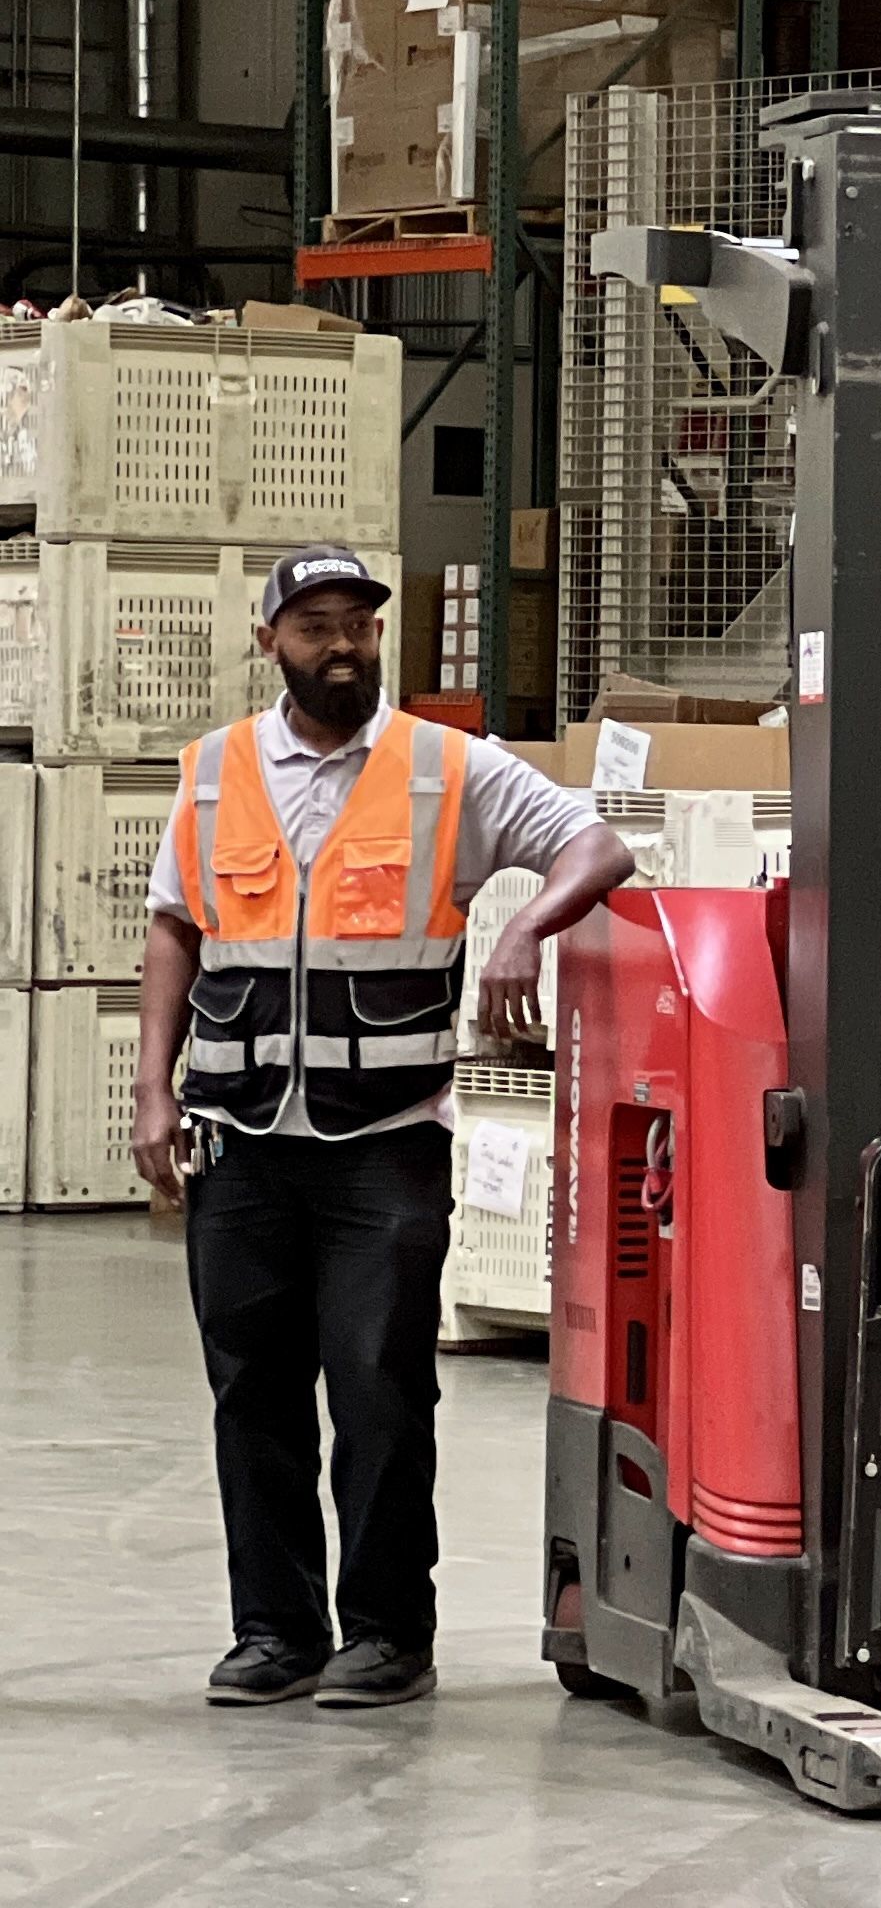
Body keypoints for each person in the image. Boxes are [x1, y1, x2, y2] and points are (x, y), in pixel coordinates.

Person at [134, 548, 640, 1712]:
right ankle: (272, 1632)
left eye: (359, 623)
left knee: (378, 1389)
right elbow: (174, 925)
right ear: (271, 643)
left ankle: (385, 1635)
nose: (345, 645)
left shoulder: (446, 769)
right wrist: (155, 1090)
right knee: (252, 1393)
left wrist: (528, 928)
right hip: (241, 1136)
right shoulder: (215, 775)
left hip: (387, 1137)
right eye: (316, 626)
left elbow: (598, 846)